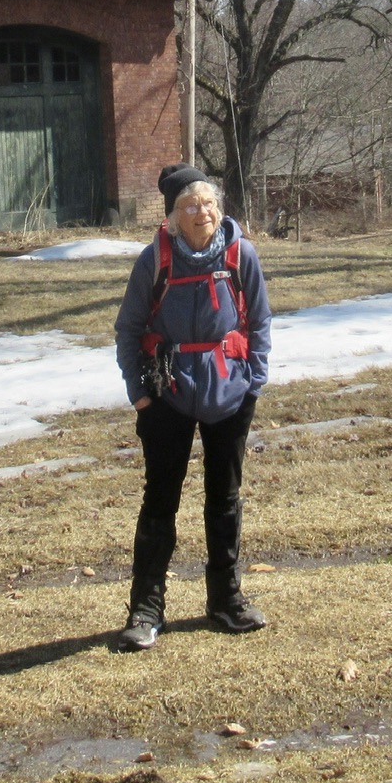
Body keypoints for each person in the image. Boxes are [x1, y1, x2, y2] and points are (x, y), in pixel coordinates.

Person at [111, 164, 273, 652]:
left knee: (224, 498)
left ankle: (226, 598)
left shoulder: (240, 254)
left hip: (229, 391)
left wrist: (253, 385)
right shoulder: (154, 261)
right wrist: (139, 392)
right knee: (161, 499)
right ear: (172, 217)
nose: (201, 212)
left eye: (207, 204)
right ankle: (146, 608)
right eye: (189, 206)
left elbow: (260, 321)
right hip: (167, 394)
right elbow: (128, 329)